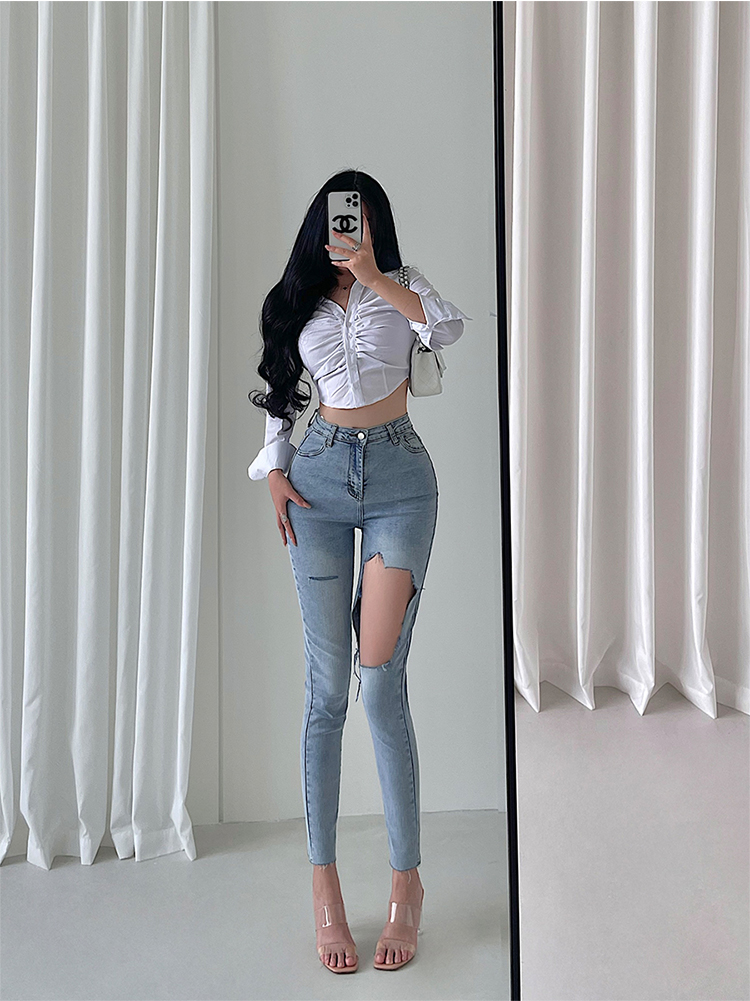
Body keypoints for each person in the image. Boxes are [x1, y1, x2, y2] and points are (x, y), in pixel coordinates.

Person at [247, 169, 471, 973]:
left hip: (400, 483)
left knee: (379, 685)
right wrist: (275, 468)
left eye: (365, 219)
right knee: (327, 690)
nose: (352, 230)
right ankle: (326, 887)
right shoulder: (299, 300)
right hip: (317, 481)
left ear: (377, 226)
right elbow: (281, 388)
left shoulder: (402, 286)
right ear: (322, 225)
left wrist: (376, 276)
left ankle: (407, 883)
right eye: (344, 219)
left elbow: (447, 330)